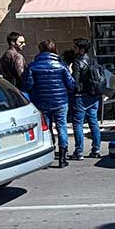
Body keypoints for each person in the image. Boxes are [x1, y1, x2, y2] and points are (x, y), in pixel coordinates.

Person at [23, 40, 76, 168]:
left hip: (41, 101)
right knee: (61, 126)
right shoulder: (61, 66)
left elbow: (28, 85)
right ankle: (62, 158)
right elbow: (71, 85)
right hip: (60, 101)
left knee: (46, 128)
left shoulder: (33, 66)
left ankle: (49, 154)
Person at [69, 37, 102, 160]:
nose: (74, 49)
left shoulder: (77, 63)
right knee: (94, 122)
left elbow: (75, 83)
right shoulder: (93, 60)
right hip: (94, 95)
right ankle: (96, 149)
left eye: (75, 47)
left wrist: (70, 72)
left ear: (81, 49)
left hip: (81, 97)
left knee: (78, 124)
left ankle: (79, 152)